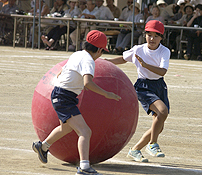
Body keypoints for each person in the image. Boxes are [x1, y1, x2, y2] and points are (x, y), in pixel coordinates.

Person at [32, 30, 121, 175]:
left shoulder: (77, 54)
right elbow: (88, 83)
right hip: (64, 97)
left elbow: (62, 71)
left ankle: (42, 147)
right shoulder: (88, 60)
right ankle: (84, 167)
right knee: (85, 131)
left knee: (66, 128)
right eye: (102, 52)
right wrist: (107, 94)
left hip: (60, 94)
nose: (101, 55)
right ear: (98, 50)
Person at [105, 20, 170, 162]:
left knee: (158, 126)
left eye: (156, 36)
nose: (152, 39)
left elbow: (162, 71)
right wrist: (107, 61)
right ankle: (152, 144)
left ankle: (135, 150)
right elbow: (123, 59)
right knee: (163, 111)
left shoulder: (165, 51)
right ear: (144, 35)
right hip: (143, 87)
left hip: (159, 86)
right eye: (149, 35)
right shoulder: (138, 49)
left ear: (161, 38)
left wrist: (145, 65)